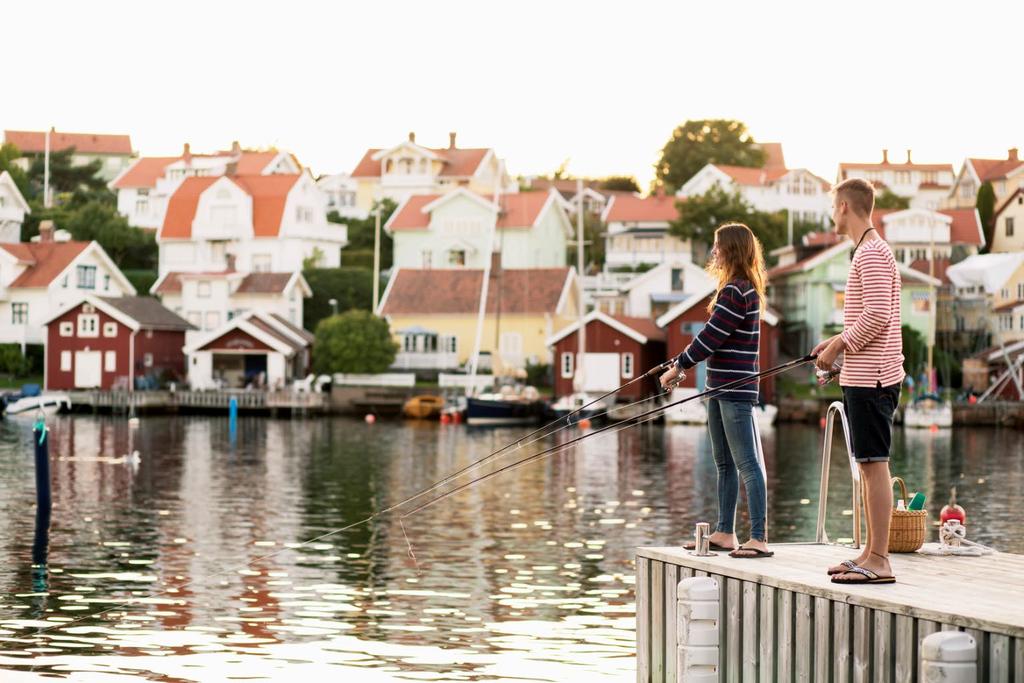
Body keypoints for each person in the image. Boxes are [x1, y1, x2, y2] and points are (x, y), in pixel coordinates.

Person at [660, 223, 772, 559]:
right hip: (719, 387)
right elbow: (713, 337)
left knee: (747, 464)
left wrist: (679, 366)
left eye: (717, 246)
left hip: (734, 390)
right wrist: (681, 363)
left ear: (731, 250)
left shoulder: (737, 292)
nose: (714, 253)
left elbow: (710, 337)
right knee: (724, 463)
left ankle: (759, 538)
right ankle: (725, 532)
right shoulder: (737, 291)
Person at [813, 177, 903, 585]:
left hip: (874, 380)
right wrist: (833, 348)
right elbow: (868, 319)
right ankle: (868, 552)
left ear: (845, 207)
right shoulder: (867, 252)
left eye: (834, 207)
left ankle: (880, 559)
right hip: (863, 376)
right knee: (867, 466)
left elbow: (879, 315)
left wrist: (838, 346)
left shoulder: (871, 253)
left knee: (875, 465)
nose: (832, 214)